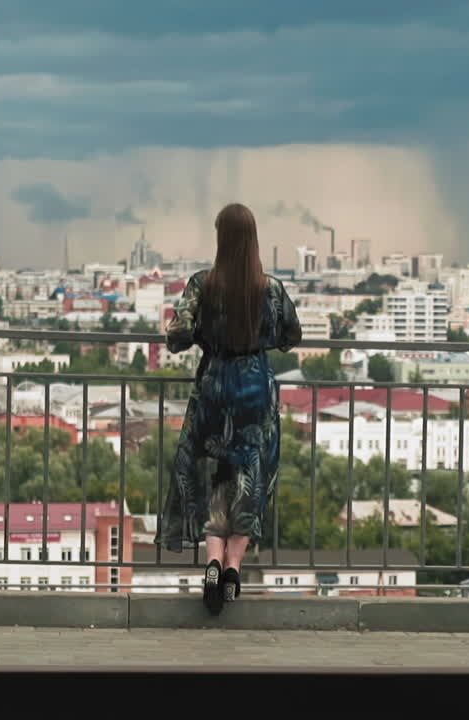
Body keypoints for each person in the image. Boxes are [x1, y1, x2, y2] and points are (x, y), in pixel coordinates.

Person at [155, 202, 302, 615]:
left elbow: (178, 336)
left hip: (215, 388)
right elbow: (292, 334)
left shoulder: (201, 284)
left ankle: (214, 562)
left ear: (221, 240)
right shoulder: (270, 288)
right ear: (253, 241)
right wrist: (258, 342)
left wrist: (207, 337)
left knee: (213, 476)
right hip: (255, 390)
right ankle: (235, 566)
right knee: (252, 478)